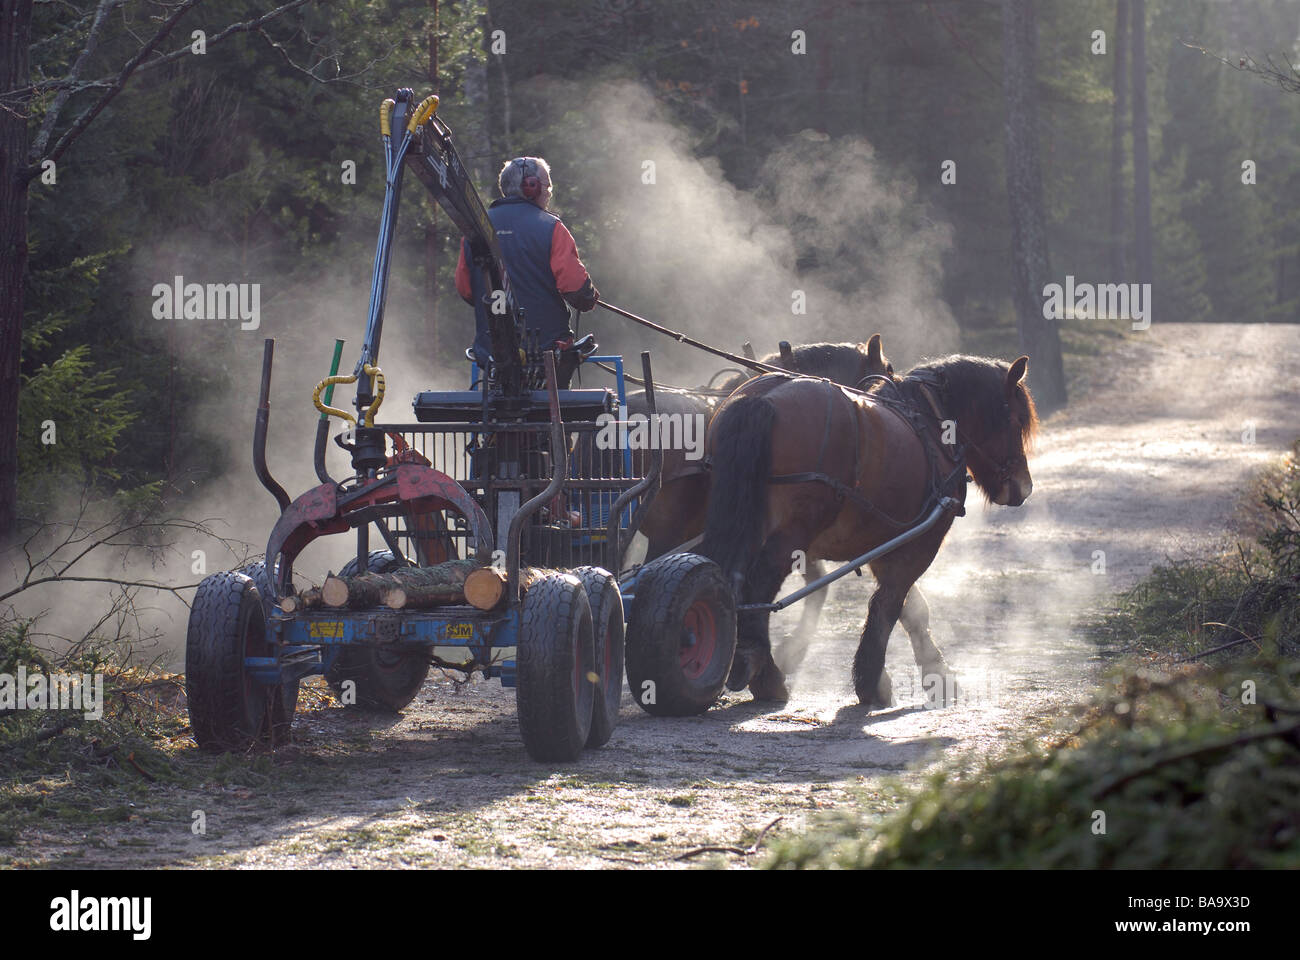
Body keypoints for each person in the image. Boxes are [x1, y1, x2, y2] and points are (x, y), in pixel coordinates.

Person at [456, 156, 599, 387]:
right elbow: (576, 290)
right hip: (548, 356)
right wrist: (589, 296)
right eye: (547, 186)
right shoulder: (551, 228)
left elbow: (467, 290)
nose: (549, 192)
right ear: (530, 187)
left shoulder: (475, 229)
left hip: (493, 357)